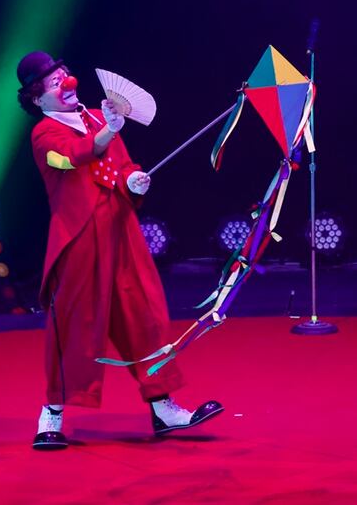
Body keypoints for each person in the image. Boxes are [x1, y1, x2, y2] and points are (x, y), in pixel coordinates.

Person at [15, 51, 222, 450]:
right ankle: (52, 414)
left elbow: (122, 166)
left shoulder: (97, 117)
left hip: (120, 232)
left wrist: (134, 181)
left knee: (143, 316)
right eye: (55, 83)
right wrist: (107, 134)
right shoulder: (44, 134)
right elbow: (70, 159)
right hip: (79, 239)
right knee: (73, 326)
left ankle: (162, 406)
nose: (67, 83)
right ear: (38, 99)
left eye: (65, 75)